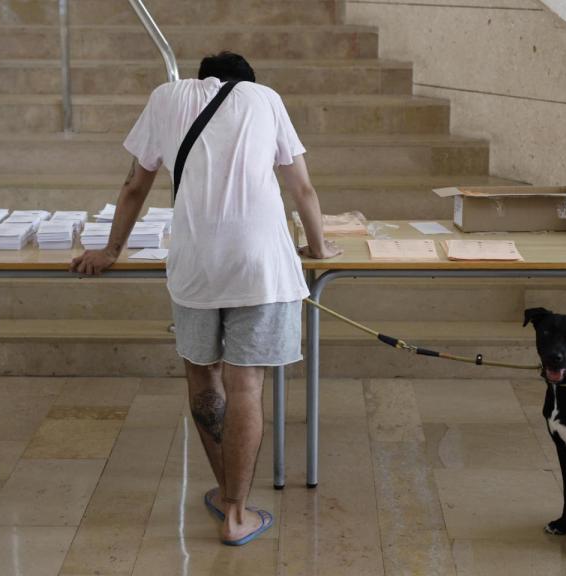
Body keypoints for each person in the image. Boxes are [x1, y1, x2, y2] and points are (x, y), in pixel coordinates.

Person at [71, 51, 341, 545]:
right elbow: (303, 188)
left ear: (205, 79)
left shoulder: (167, 97)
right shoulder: (266, 99)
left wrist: (111, 249)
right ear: (246, 82)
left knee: (203, 377)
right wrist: (320, 249)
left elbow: (135, 186)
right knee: (246, 386)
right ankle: (238, 513)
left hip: (195, 263)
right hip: (259, 265)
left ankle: (223, 492)